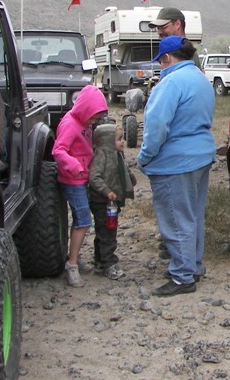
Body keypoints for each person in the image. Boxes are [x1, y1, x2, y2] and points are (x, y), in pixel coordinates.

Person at [137, 35, 215, 297]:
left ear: (167, 58)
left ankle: (182, 277)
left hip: (174, 162)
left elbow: (157, 127)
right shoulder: (201, 79)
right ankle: (192, 266)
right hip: (201, 156)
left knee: (175, 218)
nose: (160, 66)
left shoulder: (169, 83)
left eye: (160, 61)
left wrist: (145, 156)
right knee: (192, 215)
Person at [53, 85, 109, 287]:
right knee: (84, 220)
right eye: (93, 118)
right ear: (85, 109)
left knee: (79, 220)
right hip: (73, 179)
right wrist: (75, 165)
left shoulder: (82, 123)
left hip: (82, 177)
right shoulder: (70, 124)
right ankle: (72, 265)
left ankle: (73, 255)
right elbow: (58, 150)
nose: (93, 123)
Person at [88, 123, 136, 280]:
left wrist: (131, 179)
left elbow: (125, 171)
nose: (122, 142)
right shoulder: (102, 155)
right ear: (107, 141)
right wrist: (107, 191)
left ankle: (100, 260)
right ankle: (109, 263)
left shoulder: (117, 155)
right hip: (102, 202)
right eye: (118, 139)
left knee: (105, 231)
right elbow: (94, 177)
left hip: (112, 202)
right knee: (107, 232)